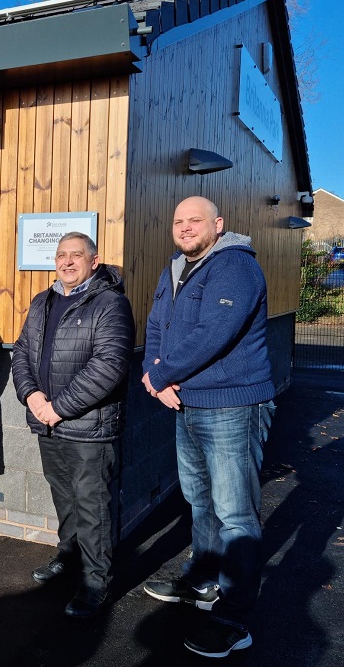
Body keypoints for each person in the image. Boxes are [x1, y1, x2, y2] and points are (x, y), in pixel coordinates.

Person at [141, 196, 275, 658]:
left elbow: (213, 334)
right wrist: (152, 373)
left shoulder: (235, 267)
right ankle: (203, 581)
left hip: (232, 406)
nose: (185, 227)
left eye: (194, 220)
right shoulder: (174, 269)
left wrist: (159, 375)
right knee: (200, 501)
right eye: (178, 221)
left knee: (235, 514)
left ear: (217, 225)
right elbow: (156, 328)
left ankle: (234, 618)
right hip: (187, 403)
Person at [11, 232, 134, 618]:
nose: (66, 262)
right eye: (61, 255)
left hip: (88, 428)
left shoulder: (110, 303)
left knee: (92, 505)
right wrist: (31, 396)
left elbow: (110, 365)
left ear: (93, 261)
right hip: (49, 422)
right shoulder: (42, 301)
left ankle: (96, 582)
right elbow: (21, 354)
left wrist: (58, 408)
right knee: (64, 497)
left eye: (76, 255)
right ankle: (68, 557)